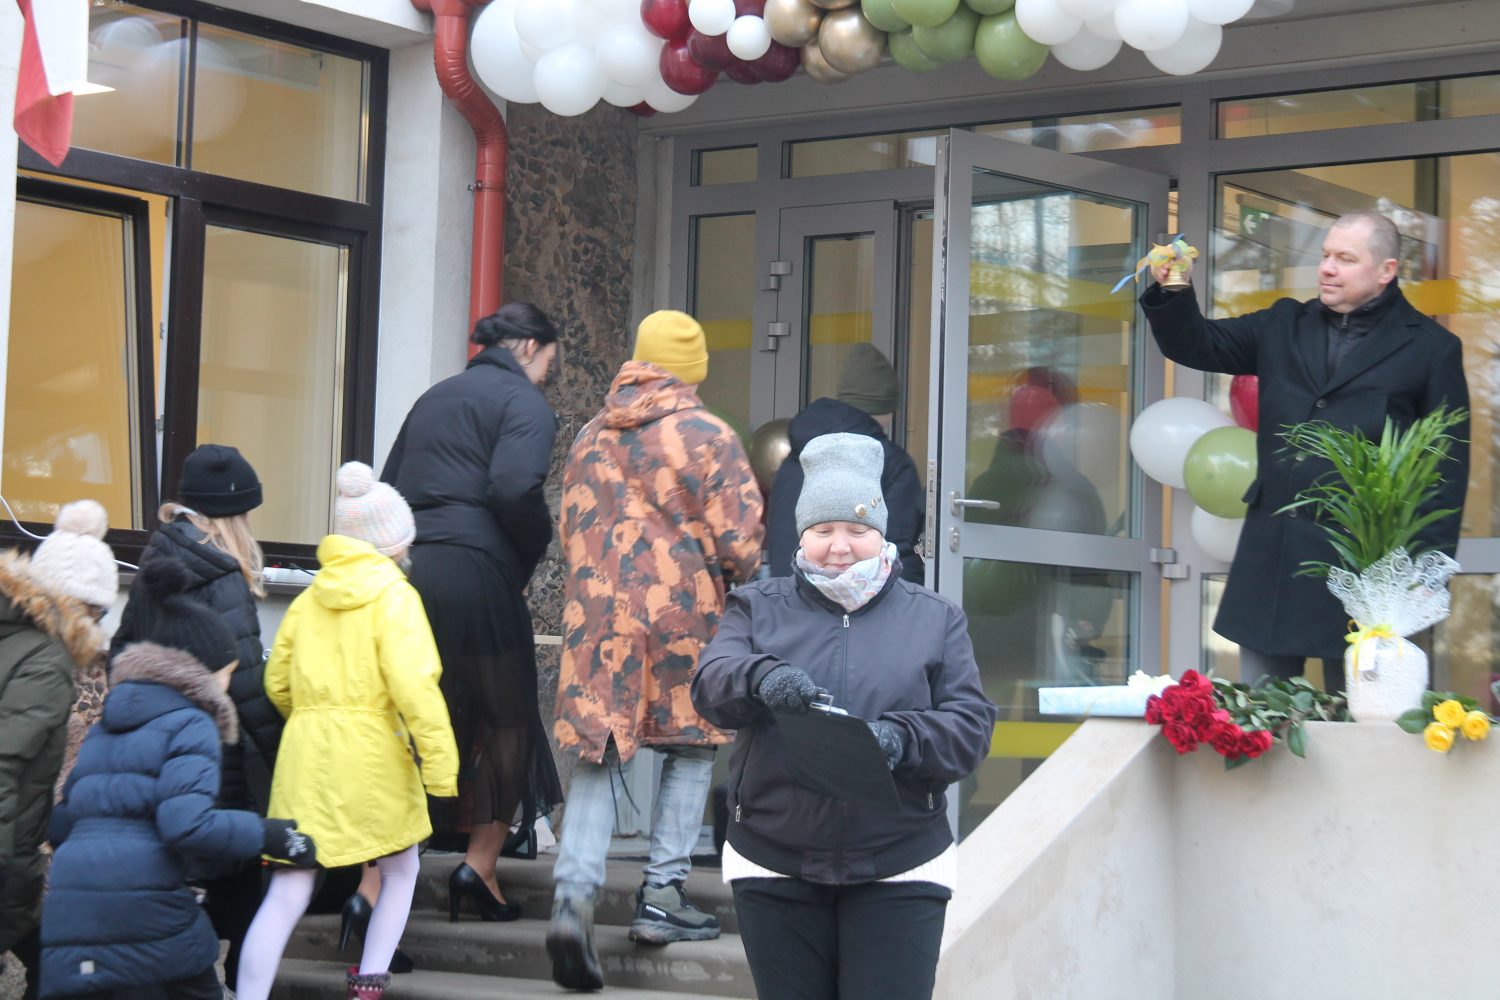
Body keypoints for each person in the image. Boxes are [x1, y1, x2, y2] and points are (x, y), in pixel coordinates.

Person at [691, 432, 998, 1000]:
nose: (839, 547)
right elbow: (711, 685)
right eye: (823, 530)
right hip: (774, 858)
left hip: (900, 860)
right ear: (800, 534)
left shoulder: (936, 618)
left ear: (881, 532)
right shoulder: (756, 607)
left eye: (857, 530)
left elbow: (970, 728)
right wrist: (760, 677)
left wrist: (900, 738)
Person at [1142, 210, 1469, 693]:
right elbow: (1199, 344)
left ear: (1386, 270)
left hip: (1367, 567)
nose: (1328, 268)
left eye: (1345, 259)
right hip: (1275, 554)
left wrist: (1424, 572)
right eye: (1325, 255)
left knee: (1363, 717)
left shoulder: (1430, 348)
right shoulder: (1284, 324)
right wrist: (1173, 289)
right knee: (1262, 717)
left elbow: (1445, 469)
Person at [546, 309, 764, 991]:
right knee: (693, 748)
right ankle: (662, 896)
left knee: (601, 750)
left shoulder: (590, 434)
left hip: (597, 618)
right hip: (681, 615)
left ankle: (571, 897)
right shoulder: (709, 436)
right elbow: (742, 545)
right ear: (692, 371)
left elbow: (569, 526)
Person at [40, 553, 318, 1000]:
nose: (228, 685)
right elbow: (186, 823)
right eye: (227, 673)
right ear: (202, 674)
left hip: (71, 910)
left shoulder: (108, 725)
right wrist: (270, 835)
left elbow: (63, 822)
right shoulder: (192, 723)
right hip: (145, 909)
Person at [235, 463, 458, 1000]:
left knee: (288, 889)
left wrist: (314, 720)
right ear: (394, 545)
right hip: (373, 756)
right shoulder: (396, 598)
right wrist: (440, 767)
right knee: (400, 868)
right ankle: (367, 986)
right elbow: (416, 689)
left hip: (305, 760)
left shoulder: (309, 599)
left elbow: (277, 682)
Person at [381, 302, 563, 921]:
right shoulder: (524, 404)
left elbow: (387, 490)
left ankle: (378, 883)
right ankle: (479, 866)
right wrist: (528, 551)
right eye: (549, 361)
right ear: (531, 347)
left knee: (415, 719)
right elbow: (513, 488)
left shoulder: (433, 398)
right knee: (508, 721)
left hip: (411, 571)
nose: (547, 374)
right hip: (478, 571)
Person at [106, 443, 281, 992]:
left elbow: (121, 654)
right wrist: (282, 753)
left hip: (158, 755)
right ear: (231, 516)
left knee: (182, 886)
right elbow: (246, 680)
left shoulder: (157, 560)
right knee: (242, 889)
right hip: (217, 759)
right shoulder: (221, 572)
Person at [0, 502, 116, 1000]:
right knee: (58, 967)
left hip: (29, 845)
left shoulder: (17, 638)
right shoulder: (51, 663)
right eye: (98, 612)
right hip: (22, 852)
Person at [767, 343, 925, 583]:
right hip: (855, 597)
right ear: (887, 405)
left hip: (789, 592)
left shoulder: (798, 454)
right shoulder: (890, 462)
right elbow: (898, 548)